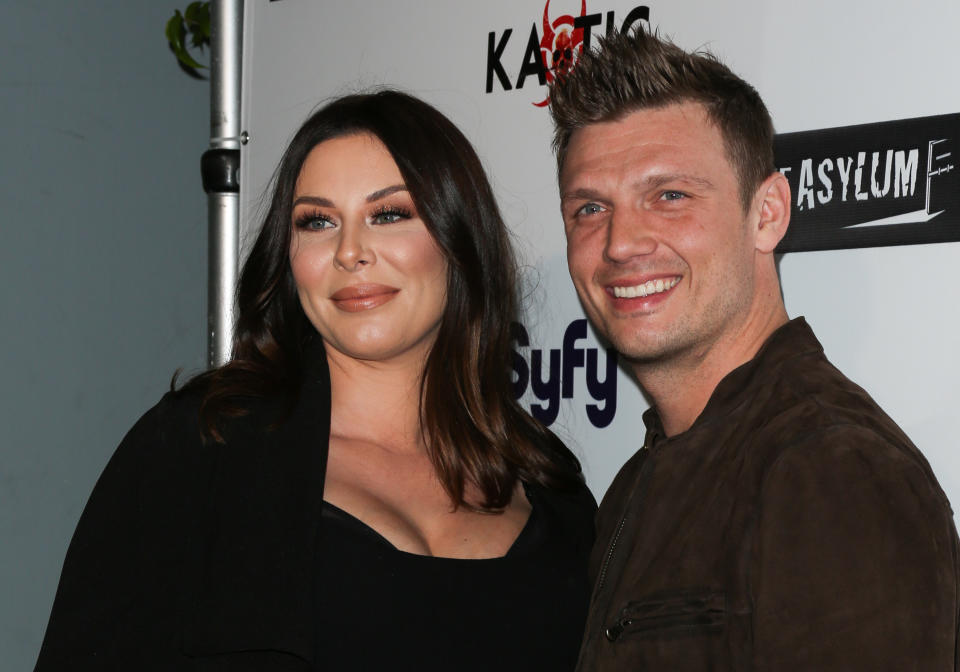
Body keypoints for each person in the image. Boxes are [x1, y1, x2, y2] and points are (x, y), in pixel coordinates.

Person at [35, 90, 596, 670]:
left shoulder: (548, 480)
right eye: (318, 221)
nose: (350, 250)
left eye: (389, 214)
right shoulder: (198, 451)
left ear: (459, 241)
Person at [549, 27, 960, 670]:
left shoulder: (831, 466)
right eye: (590, 208)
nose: (621, 242)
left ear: (767, 213)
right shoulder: (635, 484)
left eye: (670, 196)